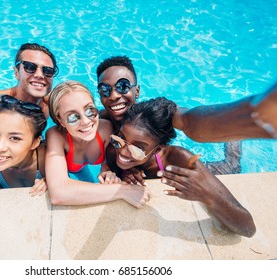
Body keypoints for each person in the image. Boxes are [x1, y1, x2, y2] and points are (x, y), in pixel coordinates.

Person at [106, 97, 256, 237]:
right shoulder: (114, 149)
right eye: (121, 138)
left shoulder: (179, 159)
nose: (123, 151)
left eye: (138, 148)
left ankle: (235, 139)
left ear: (158, 149)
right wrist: (124, 172)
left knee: (232, 166)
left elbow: (248, 228)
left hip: (196, 168)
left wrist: (207, 194)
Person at [96, 55, 243, 175]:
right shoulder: (100, 120)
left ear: (137, 91)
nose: (114, 95)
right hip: (132, 161)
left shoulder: (156, 115)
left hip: (157, 163)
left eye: (123, 86)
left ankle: (236, 140)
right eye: (105, 90)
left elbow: (189, 120)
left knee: (230, 168)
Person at [45, 81, 150, 208]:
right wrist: (122, 191)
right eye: (72, 117)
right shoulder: (55, 136)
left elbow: (107, 163)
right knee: (75, 175)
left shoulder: (105, 129)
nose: (85, 121)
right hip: (69, 166)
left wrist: (106, 171)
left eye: (89, 110)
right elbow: (59, 194)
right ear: (60, 120)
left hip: (78, 164)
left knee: (88, 181)